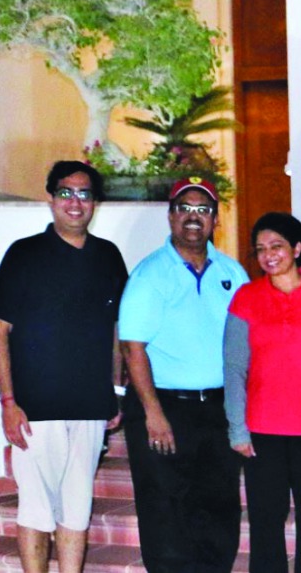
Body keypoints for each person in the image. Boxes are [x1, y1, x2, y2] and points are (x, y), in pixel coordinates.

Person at [0, 162, 127, 573]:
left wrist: (115, 390)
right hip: (35, 406)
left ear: (95, 203)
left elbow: (117, 332)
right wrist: (8, 402)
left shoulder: (107, 256)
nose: (76, 202)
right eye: (66, 193)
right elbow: (0, 333)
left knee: (76, 508)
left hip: (90, 403)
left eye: (85, 194)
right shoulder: (23, 254)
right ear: (50, 198)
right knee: (36, 509)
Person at [119, 177, 249, 572]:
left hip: (218, 408)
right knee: (166, 510)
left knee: (219, 505)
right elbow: (132, 347)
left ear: (215, 219)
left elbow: (246, 343)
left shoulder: (233, 272)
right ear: (171, 215)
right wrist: (154, 414)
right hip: (164, 408)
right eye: (185, 209)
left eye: (203, 210)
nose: (194, 218)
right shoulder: (150, 274)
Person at [223, 212, 301, 573]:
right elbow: (233, 368)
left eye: (276, 246)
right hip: (262, 430)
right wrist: (237, 428)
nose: (268, 255)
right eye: (260, 249)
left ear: (297, 248)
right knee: (265, 519)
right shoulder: (246, 298)